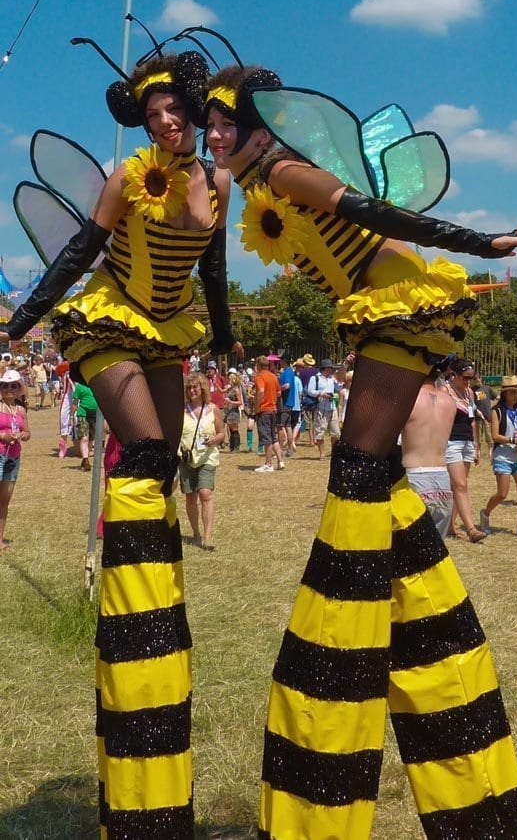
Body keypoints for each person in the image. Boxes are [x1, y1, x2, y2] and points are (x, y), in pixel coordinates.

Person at [205, 64, 517, 838]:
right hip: (378, 312)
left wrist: (481, 243)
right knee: (374, 479)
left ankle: (351, 642)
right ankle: (421, 629)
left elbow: (379, 212)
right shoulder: (255, 184)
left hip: (394, 302)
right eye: (207, 122)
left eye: (224, 122)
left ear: (262, 129)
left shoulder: (286, 169)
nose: (211, 135)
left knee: (357, 473)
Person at [1, 45, 242, 836]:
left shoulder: (217, 182)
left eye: (174, 110)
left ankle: (157, 592)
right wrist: (24, 320)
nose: (166, 121)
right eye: (152, 114)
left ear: (194, 110)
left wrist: (228, 337)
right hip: (110, 316)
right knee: (140, 452)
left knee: (165, 465)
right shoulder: (126, 177)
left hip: (169, 325)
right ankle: (127, 606)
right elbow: (76, 253)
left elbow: (214, 266)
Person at [401, 367, 456, 539]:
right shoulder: (449, 402)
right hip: (442, 478)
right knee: (436, 552)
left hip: (414, 476)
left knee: (408, 550)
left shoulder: (408, 400)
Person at [479, 376, 517, 539]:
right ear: (504, 394)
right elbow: (495, 435)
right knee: (502, 494)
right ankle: (485, 513)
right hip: (503, 456)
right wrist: (513, 440)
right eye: (511, 392)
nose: (515, 395)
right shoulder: (496, 411)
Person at [179, 372, 225, 550]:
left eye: (195, 387)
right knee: (191, 496)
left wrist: (214, 439)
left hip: (207, 457)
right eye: (189, 388)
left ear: (202, 388)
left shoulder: (213, 409)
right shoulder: (181, 410)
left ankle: (207, 537)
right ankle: (196, 534)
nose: (192, 390)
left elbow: (222, 433)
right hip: (187, 458)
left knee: (205, 493)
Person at [444, 358, 487, 542]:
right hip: (451, 442)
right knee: (460, 486)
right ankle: (471, 529)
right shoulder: (445, 391)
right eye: (465, 377)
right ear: (454, 374)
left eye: (471, 377)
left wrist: (476, 446)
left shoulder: (469, 393)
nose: (468, 381)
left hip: (467, 442)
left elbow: (472, 420)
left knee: (458, 487)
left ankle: (451, 526)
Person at [0, 370, 31, 549]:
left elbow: (28, 432)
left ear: (19, 388)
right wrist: (3, 435)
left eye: (14, 385)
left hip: (13, 457)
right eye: (5, 385)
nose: (9, 389)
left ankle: (0, 540)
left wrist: (23, 435)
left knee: (5, 499)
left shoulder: (20, 409)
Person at [254, 355, 284, 472]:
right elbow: (279, 393)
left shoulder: (260, 376)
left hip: (264, 410)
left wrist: (257, 405)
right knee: (273, 437)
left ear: (259, 366)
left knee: (266, 438)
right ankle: (280, 461)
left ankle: (268, 464)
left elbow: (261, 390)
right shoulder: (273, 376)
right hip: (273, 409)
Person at [308, 358, 340, 459]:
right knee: (320, 432)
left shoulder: (332, 379)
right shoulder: (315, 378)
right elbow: (310, 391)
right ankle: (322, 454)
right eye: (331, 368)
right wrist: (321, 394)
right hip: (321, 408)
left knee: (336, 433)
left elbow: (339, 386)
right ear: (325, 368)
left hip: (332, 407)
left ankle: (333, 452)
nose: (332, 370)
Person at [71, 380, 98, 471]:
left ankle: (85, 458)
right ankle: (85, 460)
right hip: (83, 414)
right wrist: (71, 416)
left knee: (91, 438)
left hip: (95, 415)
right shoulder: (80, 386)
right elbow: (75, 403)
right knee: (84, 437)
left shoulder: (98, 384)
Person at [471, 370, 497, 459]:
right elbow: (471, 404)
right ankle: (478, 451)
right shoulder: (472, 390)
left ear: (480, 378)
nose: (475, 381)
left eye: (476, 378)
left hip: (487, 416)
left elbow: (496, 397)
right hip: (477, 417)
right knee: (478, 436)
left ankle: (490, 452)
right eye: (473, 379)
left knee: (489, 435)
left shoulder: (487, 388)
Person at [277, 356, 296, 454]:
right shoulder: (289, 372)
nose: (279, 362)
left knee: (280, 425)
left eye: (281, 360)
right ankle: (290, 449)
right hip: (289, 402)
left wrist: (278, 389)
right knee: (288, 426)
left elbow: (287, 385)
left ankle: (279, 449)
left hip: (285, 403)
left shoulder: (287, 372)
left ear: (284, 361)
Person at [223, 370, 243, 451]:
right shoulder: (231, 388)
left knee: (235, 429)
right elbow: (222, 391)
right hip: (229, 410)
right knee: (231, 429)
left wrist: (231, 401)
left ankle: (236, 447)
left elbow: (240, 402)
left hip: (234, 411)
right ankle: (232, 446)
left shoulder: (236, 389)